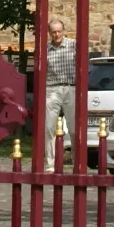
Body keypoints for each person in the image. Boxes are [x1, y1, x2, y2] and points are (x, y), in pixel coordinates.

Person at [41, 19, 79, 151]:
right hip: (52, 88)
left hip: (71, 87)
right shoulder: (45, 49)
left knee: (74, 129)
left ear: (63, 31)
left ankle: (77, 163)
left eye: (59, 31)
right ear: (49, 33)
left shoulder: (74, 45)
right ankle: (50, 165)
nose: (57, 35)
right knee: (48, 128)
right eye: (53, 32)